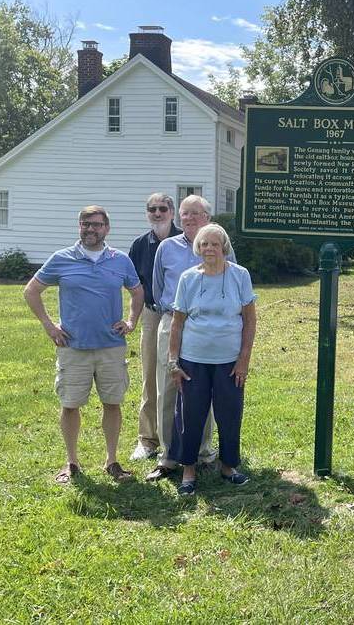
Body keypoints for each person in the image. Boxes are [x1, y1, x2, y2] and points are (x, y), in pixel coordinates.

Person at [22, 205, 144, 483]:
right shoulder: (61, 258)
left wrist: (130, 321)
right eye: (85, 224)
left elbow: (137, 292)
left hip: (111, 346)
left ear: (107, 228)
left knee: (112, 403)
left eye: (97, 225)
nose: (91, 229)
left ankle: (112, 461)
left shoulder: (120, 260)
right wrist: (49, 325)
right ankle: (72, 462)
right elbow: (31, 291)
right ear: (79, 227)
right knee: (70, 405)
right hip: (73, 347)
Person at [165, 223, 257, 495]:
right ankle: (188, 470)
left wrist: (243, 359)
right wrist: (173, 362)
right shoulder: (188, 278)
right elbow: (177, 323)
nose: (209, 248)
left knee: (230, 414)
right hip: (193, 360)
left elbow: (250, 320)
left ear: (224, 247)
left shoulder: (240, 275)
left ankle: (229, 466)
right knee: (190, 415)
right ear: (198, 248)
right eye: (204, 244)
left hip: (229, 361)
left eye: (215, 244)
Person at [143, 196, 230, 482]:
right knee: (167, 387)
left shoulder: (220, 246)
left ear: (208, 216)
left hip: (207, 327)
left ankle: (202, 451)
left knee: (202, 388)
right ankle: (168, 456)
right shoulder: (167, 248)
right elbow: (157, 289)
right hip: (172, 322)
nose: (189, 218)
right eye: (184, 213)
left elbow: (231, 281)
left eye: (195, 213)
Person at [127, 193, 182, 461]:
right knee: (150, 377)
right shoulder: (140, 245)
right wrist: (132, 318)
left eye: (162, 209)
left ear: (172, 212)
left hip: (181, 317)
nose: (157, 213)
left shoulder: (185, 240)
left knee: (180, 376)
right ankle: (147, 440)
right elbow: (134, 287)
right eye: (152, 209)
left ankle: (180, 436)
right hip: (152, 315)